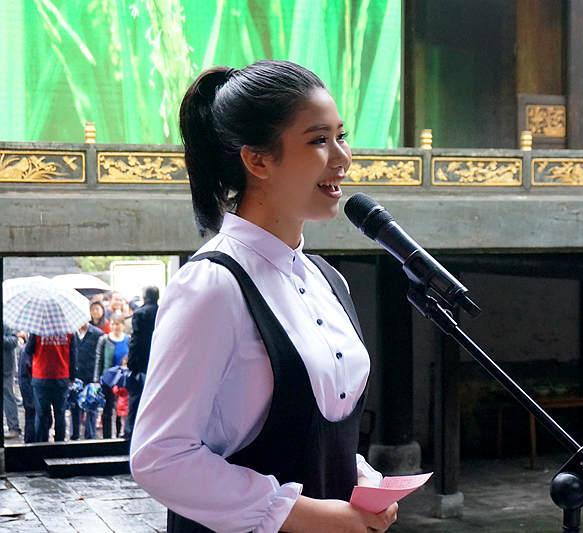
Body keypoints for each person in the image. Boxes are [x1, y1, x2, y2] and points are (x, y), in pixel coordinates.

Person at [131, 60, 398, 533]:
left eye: (342, 136)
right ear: (257, 160)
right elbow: (160, 456)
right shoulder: (213, 285)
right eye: (318, 140)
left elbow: (318, 436)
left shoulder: (328, 280)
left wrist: (361, 478)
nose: (342, 158)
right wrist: (304, 514)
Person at [24, 333, 75, 442]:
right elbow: (73, 355)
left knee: (41, 415)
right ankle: (60, 444)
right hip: (61, 377)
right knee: (60, 414)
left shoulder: (38, 330)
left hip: (41, 377)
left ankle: (41, 445)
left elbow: (28, 350)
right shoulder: (68, 331)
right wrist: (72, 377)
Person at [125, 286, 158, 438]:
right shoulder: (162, 312)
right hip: (157, 363)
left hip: (140, 363)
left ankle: (131, 433)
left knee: (135, 399)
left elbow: (136, 341)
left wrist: (131, 363)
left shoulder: (140, 314)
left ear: (145, 296)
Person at [95, 313, 129, 439]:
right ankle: (107, 437)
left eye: (118, 324)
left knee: (122, 409)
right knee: (107, 409)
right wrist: (96, 379)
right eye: (113, 324)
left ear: (123, 325)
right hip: (108, 379)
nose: (115, 327)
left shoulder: (128, 339)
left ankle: (121, 434)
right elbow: (99, 359)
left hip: (123, 379)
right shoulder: (104, 339)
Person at [70, 322, 103, 439]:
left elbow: (99, 357)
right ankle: (74, 435)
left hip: (90, 377)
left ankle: (90, 436)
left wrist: (97, 378)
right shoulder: (71, 333)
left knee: (91, 407)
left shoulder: (97, 334)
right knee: (74, 407)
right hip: (75, 376)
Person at [2, 323, 22, 439]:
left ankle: (14, 428)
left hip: (6, 367)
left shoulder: (7, 324)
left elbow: (14, 341)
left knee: (8, 396)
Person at [112, 357, 129, 438]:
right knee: (126, 419)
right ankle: (125, 432)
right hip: (128, 402)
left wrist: (115, 388)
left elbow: (115, 391)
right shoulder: (130, 376)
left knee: (122, 420)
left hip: (121, 402)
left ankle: (122, 432)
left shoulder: (120, 376)